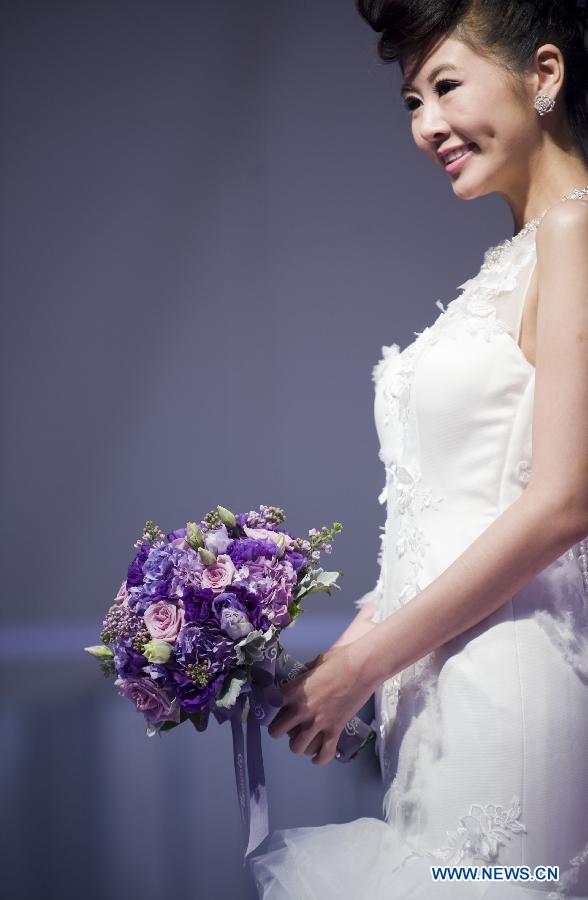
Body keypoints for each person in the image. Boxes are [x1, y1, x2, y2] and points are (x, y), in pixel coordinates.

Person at [248, 0, 588, 896]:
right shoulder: (518, 256)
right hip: (442, 696)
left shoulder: (577, 230)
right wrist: (341, 657)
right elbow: (458, 510)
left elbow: (564, 504)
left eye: (444, 86)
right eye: (410, 101)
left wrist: (367, 663)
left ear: (543, 76)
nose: (426, 124)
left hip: (508, 686)